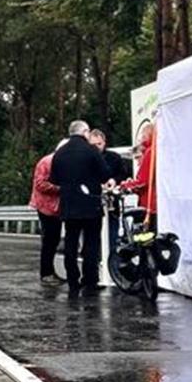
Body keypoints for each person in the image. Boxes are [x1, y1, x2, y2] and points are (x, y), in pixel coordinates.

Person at [51, 121, 110, 293]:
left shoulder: (60, 153)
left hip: (69, 204)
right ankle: (90, 280)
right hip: (90, 203)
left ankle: (72, 280)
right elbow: (105, 174)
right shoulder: (91, 150)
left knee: (71, 242)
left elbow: (54, 179)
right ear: (85, 132)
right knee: (91, 244)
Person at [88, 129, 133, 268]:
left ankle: (112, 264)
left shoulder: (114, 157)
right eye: (93, 144)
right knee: (93, 236)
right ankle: (95, 264)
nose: (96, 147)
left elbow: (123, 174)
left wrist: (114, 180)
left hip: (112, 201)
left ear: (104, 142)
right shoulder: (86, 158)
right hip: (92, 201)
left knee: (112, 234)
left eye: (99, 144)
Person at [31, 140, 67, 281]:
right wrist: (60, 188)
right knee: (49, 240)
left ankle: (50, 271)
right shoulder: (46, 162)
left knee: (54, 238)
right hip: (45, 206)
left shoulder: (59, 162)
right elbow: (40, 184)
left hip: (56, 206)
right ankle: (46, 273)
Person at [120, 122, 158, 229]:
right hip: (156, 204)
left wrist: (125, 185)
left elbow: (143, 182)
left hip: (149, 205)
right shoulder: (157, 150)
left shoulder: (150, 153)